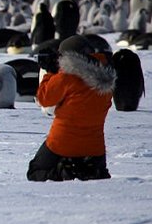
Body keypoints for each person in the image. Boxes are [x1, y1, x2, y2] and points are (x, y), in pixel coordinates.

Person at [27, 35, 116, 181]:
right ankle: (87, 169)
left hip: (61, 142)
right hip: (94, 147)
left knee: (35, 171)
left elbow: (44, 98)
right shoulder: (108, 78)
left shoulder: (67, 77)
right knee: (97, 173)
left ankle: (64, 172)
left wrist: (50, 72)